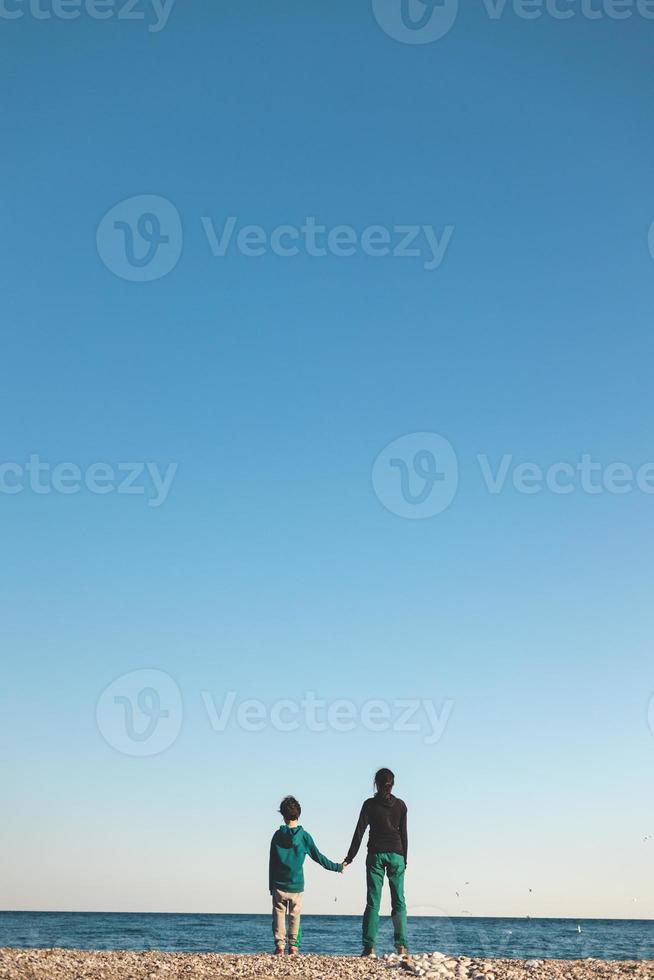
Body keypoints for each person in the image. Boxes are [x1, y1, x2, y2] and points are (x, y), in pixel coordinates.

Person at [343, 768, 408, 957]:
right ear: (392, 784)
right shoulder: (401, 805)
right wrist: (405, 859)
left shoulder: (369, 805)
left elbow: (359, 832)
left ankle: (369, 947)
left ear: (376, 784)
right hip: (397, 854)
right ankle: (401, 946)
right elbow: (404, 834)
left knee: (373, 901)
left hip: (376, 855)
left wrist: (350, 857)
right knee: (399, 901)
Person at [269, 795, 344, 955]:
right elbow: (319, 857)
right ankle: (294, 946)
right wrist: (338, 867)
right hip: (296, 884)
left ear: (282, 815)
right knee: (295, 915)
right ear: (299, 814)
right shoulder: (304, 837)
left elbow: (272, 863)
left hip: (279, 884)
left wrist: (271, 886)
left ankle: (280, 946)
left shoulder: (277, 836)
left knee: (279, 914)